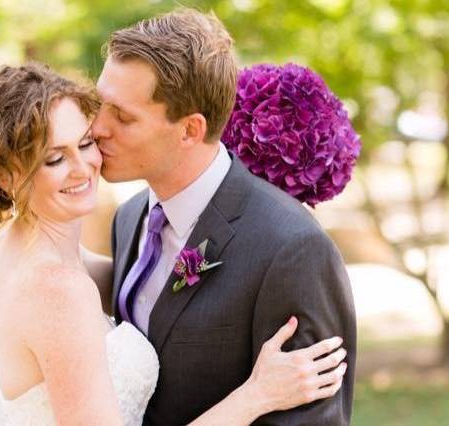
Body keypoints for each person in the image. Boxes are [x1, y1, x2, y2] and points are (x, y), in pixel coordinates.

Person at [0, 62, 348, 425]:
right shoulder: (58, 290)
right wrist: (257, 395)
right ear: (5, 178)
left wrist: (259, 218)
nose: (82, 167)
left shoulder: (12, 249)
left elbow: (137, 280)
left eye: (85, 143)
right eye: (54, 159)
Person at [92, 8, 357, 425]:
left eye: (122, 116)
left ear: (190, 130)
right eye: (98, 104)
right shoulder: (128, 219)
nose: (96, 127)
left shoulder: (292, 249)